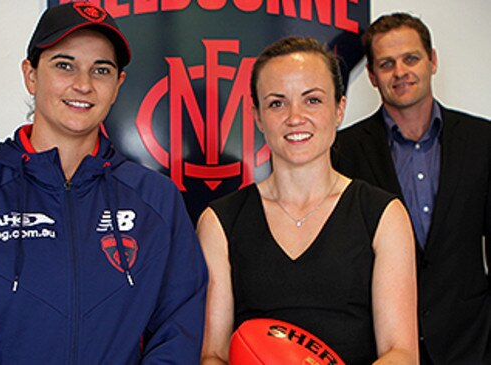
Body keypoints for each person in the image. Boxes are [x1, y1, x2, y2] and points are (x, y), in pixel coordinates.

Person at [0, 3, 208, 364]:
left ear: (118, 86)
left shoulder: (156, 200)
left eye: (101, 70)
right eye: (64, 65)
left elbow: (178, 329)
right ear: (31, 75)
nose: (83, 84)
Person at [197, 36, 418, 364]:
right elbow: (212, 354)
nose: (295, 117)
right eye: (277, 103)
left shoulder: (383, 214)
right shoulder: (219, 221)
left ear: (339, 109)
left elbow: (401, 353)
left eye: (312, 100)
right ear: (258, 116)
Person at [332, 12, 491, 364]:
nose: (400, 72)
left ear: (432, 61)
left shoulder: (483, 141)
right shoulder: (342, 151)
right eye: (386, 64)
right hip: (380, 349)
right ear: (372, 76)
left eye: (411, 58)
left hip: (471, 345)